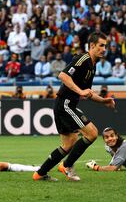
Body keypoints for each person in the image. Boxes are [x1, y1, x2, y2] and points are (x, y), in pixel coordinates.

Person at [33, 32, 115, 182]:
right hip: (65, 104)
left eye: (105, 46)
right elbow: (63, 76)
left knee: (68, 143)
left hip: (65, 104)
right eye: (101, 45)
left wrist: (104, 101)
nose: (104, 49)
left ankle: (40, 173)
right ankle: (67, 165)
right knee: (91, 133)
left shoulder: (93, 65)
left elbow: (88, 93)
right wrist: (80, 91)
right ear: (92, 46)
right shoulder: (83, 59)